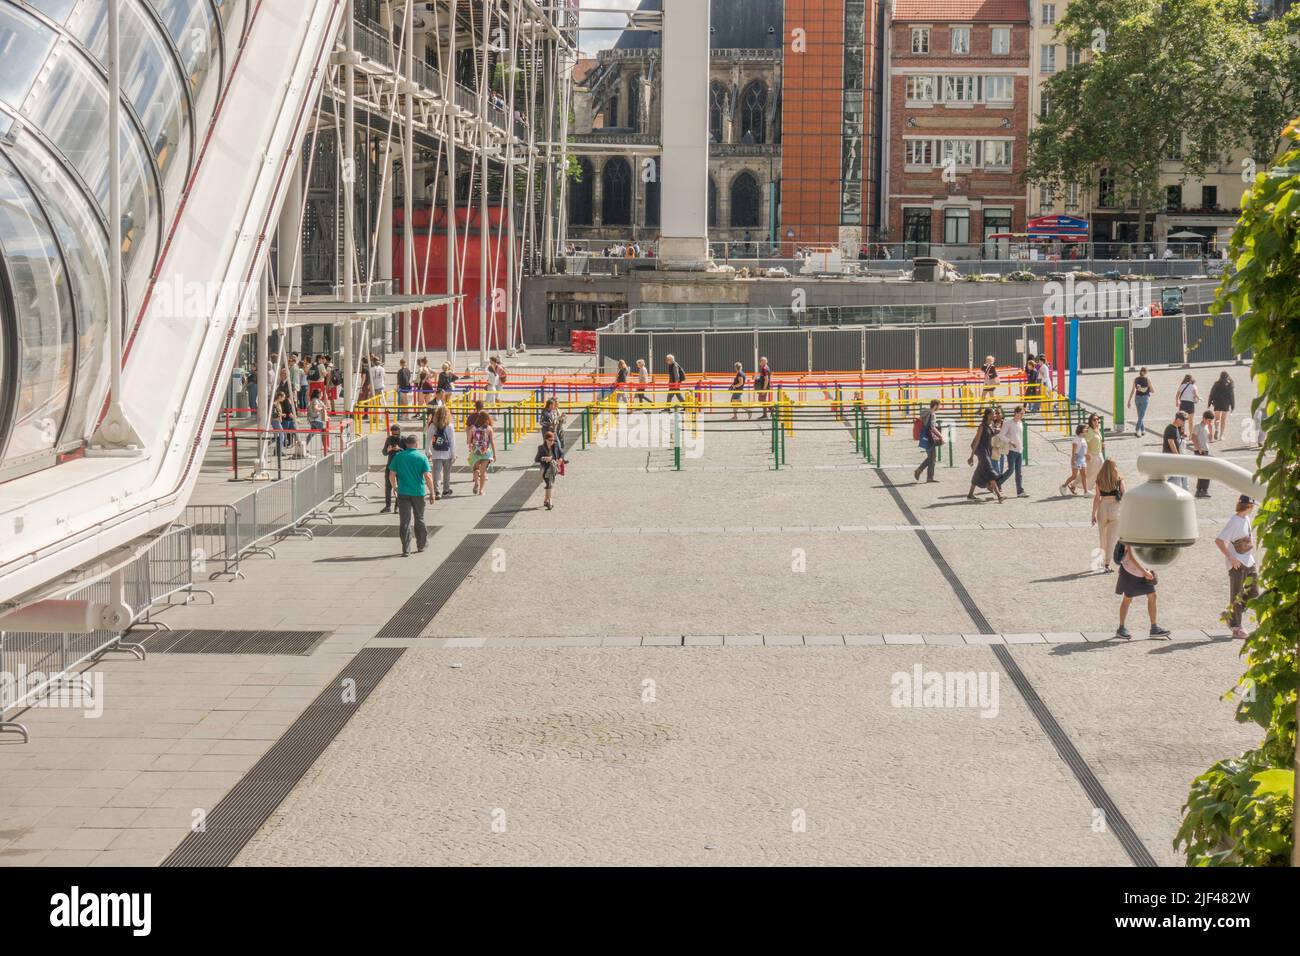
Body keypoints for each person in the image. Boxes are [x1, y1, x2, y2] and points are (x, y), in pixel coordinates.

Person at [1216, 495, 1259, 640]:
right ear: (1247, 507)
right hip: (1237, 564)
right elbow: (1219, 541)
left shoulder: (1246, 519)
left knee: (1254, 594)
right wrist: (1231, 558)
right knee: (1237, 596)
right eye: (1251, 506)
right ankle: (1236, 627)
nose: (1252, 509)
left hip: (1249, 561)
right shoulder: (1234, 521)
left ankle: (1230, 616)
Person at [1114, 541, 1170, 639]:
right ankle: (1121, 628)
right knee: (1127, 599)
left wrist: (1149, 568)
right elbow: (1132, 555)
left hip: (1142, 570)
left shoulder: (1145, 531)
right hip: (1130, 571)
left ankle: (1154, 628)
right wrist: (1144, 571)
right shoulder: (1132, 533)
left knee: (1152, 595)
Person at [389, 435, 434, 557]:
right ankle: (421, 545)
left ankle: (406, 549)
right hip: (418, 492)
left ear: (406, 444)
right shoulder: (421, 457)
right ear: (416, 444)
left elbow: (392, 474)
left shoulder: (399, 457)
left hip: (403, 492)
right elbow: (428, 476)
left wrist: (395, 487)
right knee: (419, 518)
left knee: (405, 521)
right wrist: (432, 492)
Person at [1091, 460, 1125, 573]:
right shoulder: (1119, 480)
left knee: (1102, 538)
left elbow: (1097, 498)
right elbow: (1125, 496)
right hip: (1115, 509)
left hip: (1103, 508)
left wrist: (1093, 514)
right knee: (1111, 539)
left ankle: (1100, 562)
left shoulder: (1099, 480)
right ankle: (1106, 564)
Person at [966, 407, 1003, 503]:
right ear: (988, 415)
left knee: (979, 471)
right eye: (993, 414)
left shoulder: (991, 425)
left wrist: (999, 430)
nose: (995, 415)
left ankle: (970, 494)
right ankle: (999, 496)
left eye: (995, 414)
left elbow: (993, 433)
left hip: (987, 450)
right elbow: (977, 440)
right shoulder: (982, 426)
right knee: (990, 470)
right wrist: (971, 456)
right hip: (981, 450)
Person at [995, 405, 1027, 497]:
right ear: (1016, 413)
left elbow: (1020, 437)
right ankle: (997, 483)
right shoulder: (1008, 423)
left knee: (1019, 472)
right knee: (1010, 470)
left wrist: (1021, 447)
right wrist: (1010, 442)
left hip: (1019, 450)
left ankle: (1020, 491)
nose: (1022, 415)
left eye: (1023, 414)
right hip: (1011, 450)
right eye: (1021, 413)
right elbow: (1001, 435)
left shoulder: (1020, 423)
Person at [426, 404, 456, 500]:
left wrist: (428, 452)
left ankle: (437, 491)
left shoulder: (433, 426)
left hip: (436, 453)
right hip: (447, 453)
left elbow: (428, 439)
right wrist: (453, 455)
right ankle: (446, 490)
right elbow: (452, 441)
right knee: (447, 473)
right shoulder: (450, 426)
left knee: (436, 473)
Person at [535, 429, 567, 511]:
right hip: (545, 469)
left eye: (553, 440)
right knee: (549, 484)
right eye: (550, 440)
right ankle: (550, 502)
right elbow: (536, 459)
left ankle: (546, 500)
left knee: (549, 484)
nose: (552, 442)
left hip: (553, 468)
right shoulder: (541, 448)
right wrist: (544, 458)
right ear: (546, 440)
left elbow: (562, 453)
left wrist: (560, 459)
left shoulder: (555, 445)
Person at [467, 409, 496, 495]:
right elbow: (492, 442)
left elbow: (469, 440)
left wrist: (470, 446)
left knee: (476, 469)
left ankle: (476, 482)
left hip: (475, 451)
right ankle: (481, 490)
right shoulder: (489, 428)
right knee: (483, 472)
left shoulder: (473, 427)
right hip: (486, 452)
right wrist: (494, 454)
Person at [914, 399, 942, 483]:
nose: (939, 407)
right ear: (935, 405)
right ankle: (922, 472)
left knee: (931, 457)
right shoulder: (932, 414)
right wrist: (940, 436)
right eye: (939, 405)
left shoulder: (926, 412)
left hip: (924, 437)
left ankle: (927, 476)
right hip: (930, 438)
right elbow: (932, 427)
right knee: (932, 457)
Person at [1162, 412, 1190, 491]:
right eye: (1183, 421)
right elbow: (1171, 443)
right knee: (1174, 480)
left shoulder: (1176, 428)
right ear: (1178, 419)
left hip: (1173, 458)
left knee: (1178, 479)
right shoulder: (1171, 428)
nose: (1184, 423)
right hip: (1171, 458)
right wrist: (1177, 457)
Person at [380, 425, 403, 514]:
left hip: (400, 467)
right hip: (390, 466)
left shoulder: (403, 439)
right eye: (393, 434)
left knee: (399, 487)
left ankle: (397, 506)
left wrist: (399, 449)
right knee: (388, 487)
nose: (394, 436)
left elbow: (408, 451)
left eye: (396, 434)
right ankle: (388, 506)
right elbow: (384, 452)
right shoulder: (389, 439)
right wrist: (388, 450)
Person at [1191, 410, 1214, 498]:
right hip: (1200, 451)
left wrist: (1211, 429)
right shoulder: (1198, 426)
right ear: (1204, 418)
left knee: (1206, 471)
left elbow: (1211, 439)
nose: (1210, 422)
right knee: (1203, 471)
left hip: (1206, 451)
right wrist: (1199, 448)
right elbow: (1193, 437)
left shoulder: (1207, 427)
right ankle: (1200, 490)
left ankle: (1203, 490)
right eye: (1209, 420)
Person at [1060, 423, 1088, 496]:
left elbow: (1084, 450)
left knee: (1084, 475)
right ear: (1081, 429)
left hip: (1083, 459)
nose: (1087, 430)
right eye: (1085, 428)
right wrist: (1073, 460)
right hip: (1077, 459)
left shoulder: (1083, 439)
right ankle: (1064, 486)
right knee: (1074, 476)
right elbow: (1074, 451)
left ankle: (1086, 491)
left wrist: (1087, 455)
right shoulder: (1076, 439)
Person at [1207, 371, 1234, 442]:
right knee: (1223, 420)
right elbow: (1231, 396)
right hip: (1225, 403)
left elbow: (1211, 393)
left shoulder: (1216, 383)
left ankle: (1216, 429)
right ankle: (1221, 436)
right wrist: (1232, 406)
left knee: (1217, 418)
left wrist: (1209, 403)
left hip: (1217, 403)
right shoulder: (1229, 384)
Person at [1126, 367, 1153, 437]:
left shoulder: (1136, 379)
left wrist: (1129, 401)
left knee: (1140, 415)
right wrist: (1148, 389)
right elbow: (1153, 390)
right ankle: (1137, 430)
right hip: (1145, 398)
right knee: (1141, 415)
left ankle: (1143, 430)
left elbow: (1133, 390)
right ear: (1145, 372)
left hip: (1137, 398)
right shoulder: (1148, 379)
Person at [1082, 413, 1105, 489]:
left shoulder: (1097, 429)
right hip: (1092, 454)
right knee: (1089, 472)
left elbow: (1098, 439)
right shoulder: (1089, 431)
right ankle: (1074, 485)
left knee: (1101, 470)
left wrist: (1101, 444)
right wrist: (1087, 453)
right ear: (1090, 421)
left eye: (1097, 419)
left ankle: (1099, 486)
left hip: (1099, 453)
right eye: (1094, 419)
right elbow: (1085, 442)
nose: (1096, 421)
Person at [307, 392, 328, 456]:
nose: (322, 395)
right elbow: (315, 408)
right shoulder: (315, 400)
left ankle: (305, 445)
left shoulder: (317, 400)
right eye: (321, 394)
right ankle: (325, 447)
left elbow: (325, 407)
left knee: (312, 433)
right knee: (323, 432)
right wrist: (322, 409)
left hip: (314, 419)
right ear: (318, 394)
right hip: (316, 420)